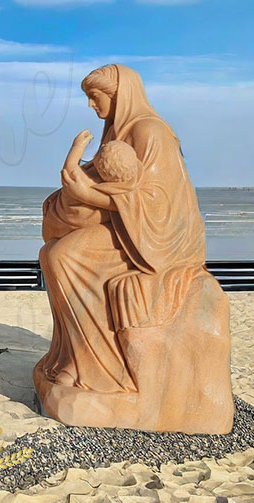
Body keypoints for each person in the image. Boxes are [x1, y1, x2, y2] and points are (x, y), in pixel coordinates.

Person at [35, 64, 232, 434]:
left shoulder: (151, 132)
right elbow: (107, 182)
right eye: (89, 98)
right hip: (130, 230)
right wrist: (73, 194)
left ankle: (101, 371)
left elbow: (158, 200)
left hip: (160, 243)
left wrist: (87, 194)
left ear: (120, 94)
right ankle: (74, 358)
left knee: (66, 257)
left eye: (97, 97)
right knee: (51, 255)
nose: (92, 105)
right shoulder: (118, 132)